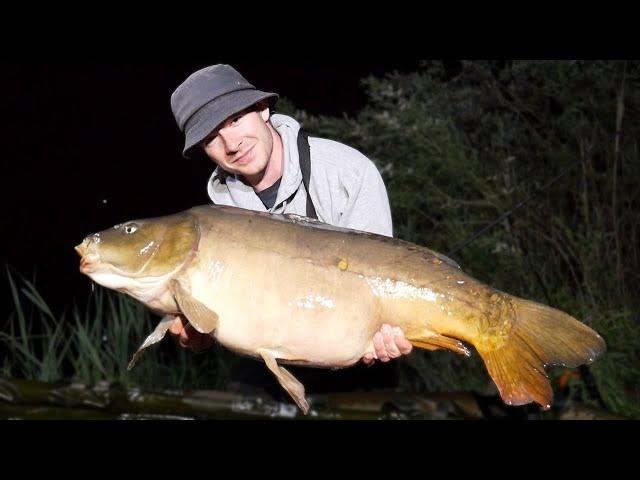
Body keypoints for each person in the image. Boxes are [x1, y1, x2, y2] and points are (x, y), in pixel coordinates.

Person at [167, 64, 411, 376]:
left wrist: (382, 333)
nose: (231, 144)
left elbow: (384, 282)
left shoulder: (348, 173)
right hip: (271, 367)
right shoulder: (216, 222)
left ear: (262, 109)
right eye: (212, 137)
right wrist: (200, 332)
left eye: (236, 120)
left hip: (354, 362)